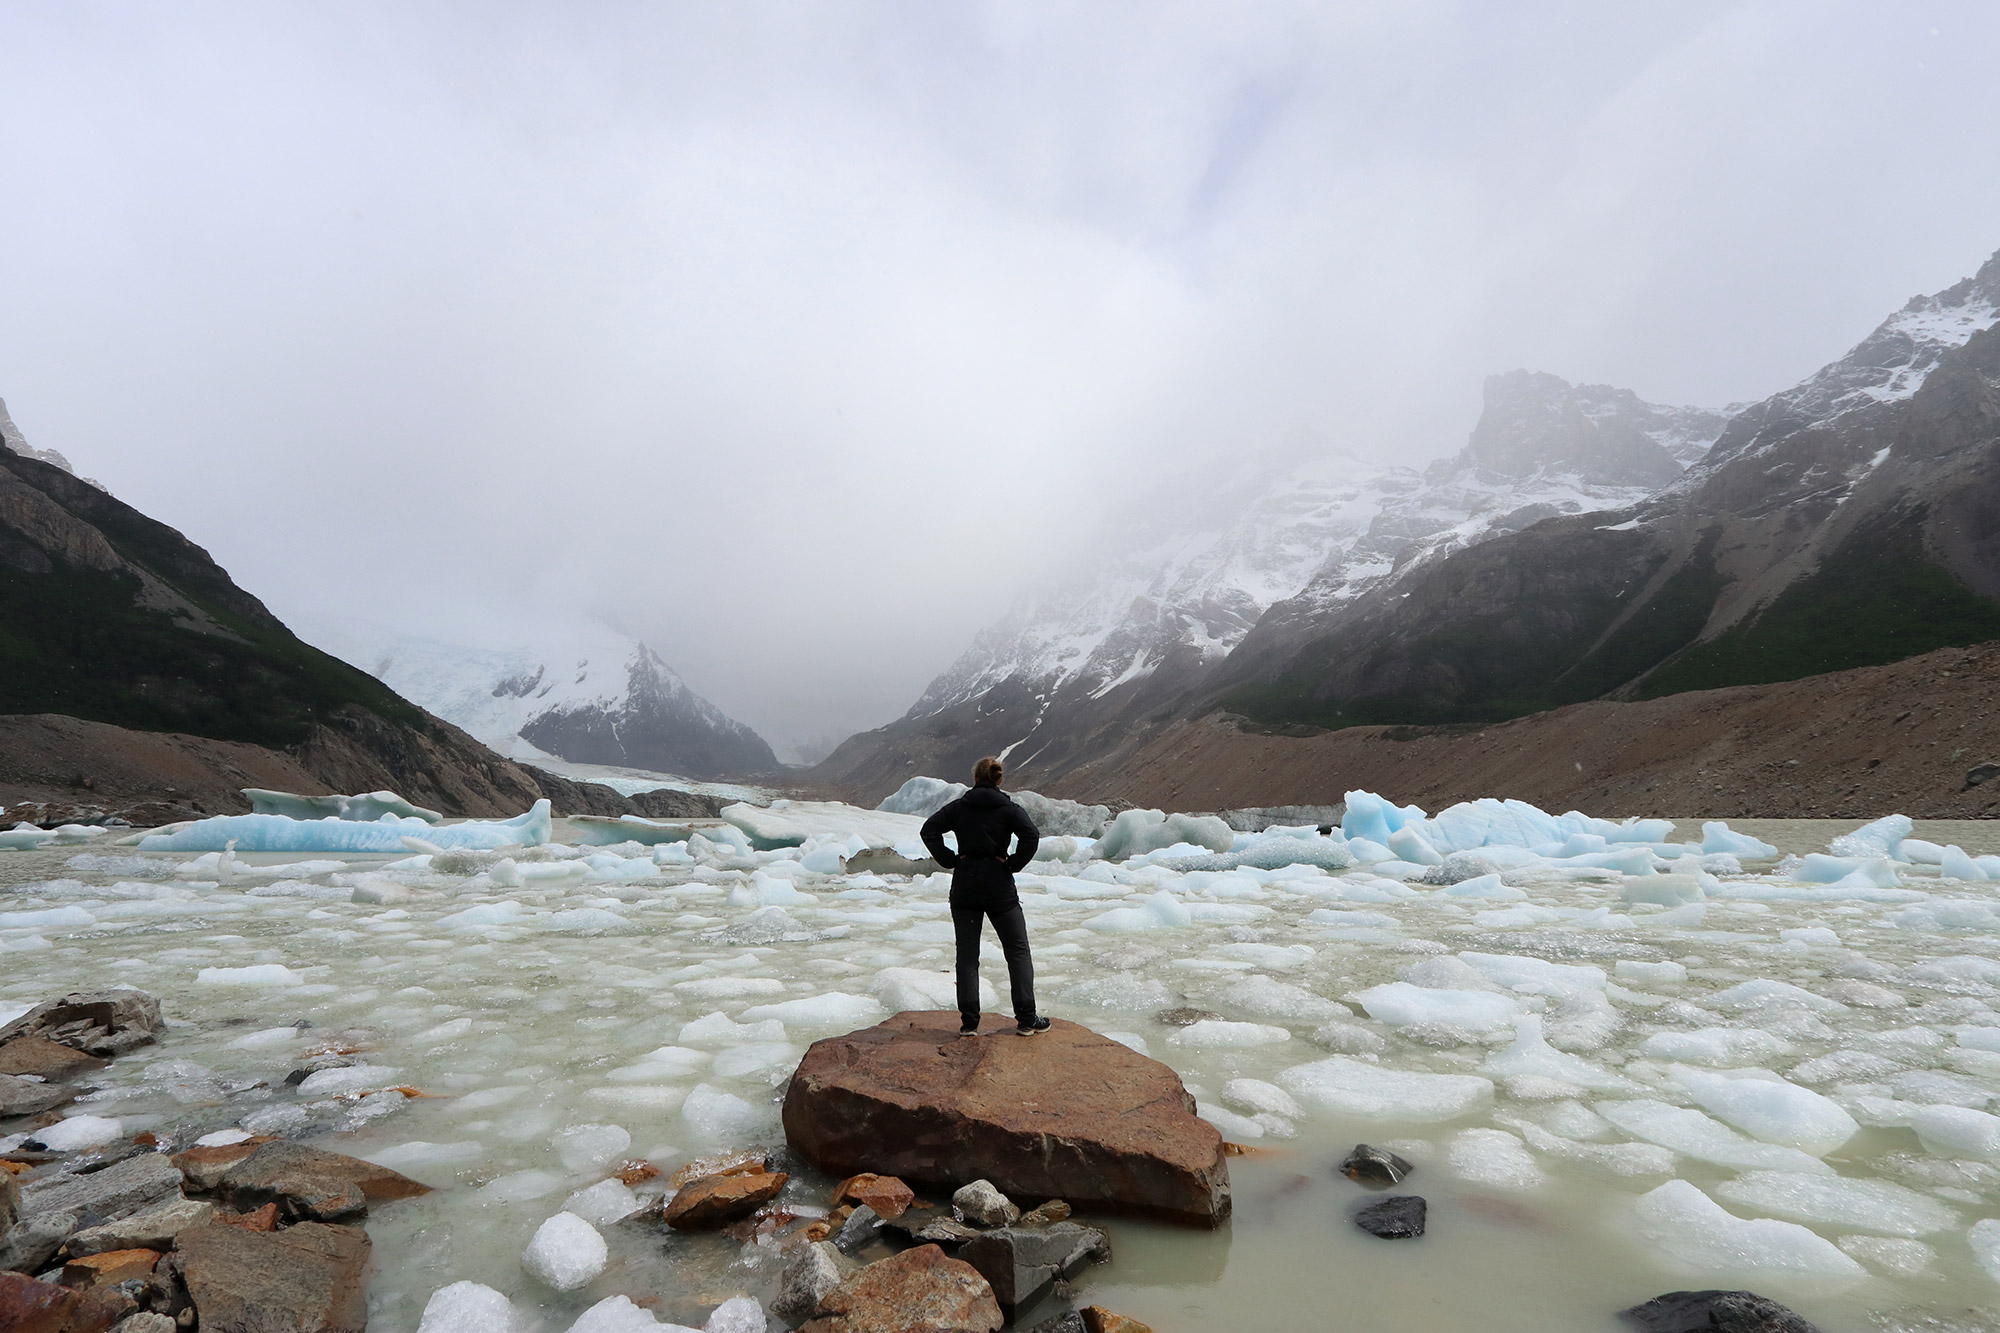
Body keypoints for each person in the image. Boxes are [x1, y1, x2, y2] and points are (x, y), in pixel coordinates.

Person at [920, 756, 1048, 1036]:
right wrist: (1012, 864)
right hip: (999, 887)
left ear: (975, 779)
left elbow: (929, 830)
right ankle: (1027, 1019)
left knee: (967, 957)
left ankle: (969, 1024)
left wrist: (950, 860)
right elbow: (1032, 836)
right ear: (999, 779)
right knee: (1017, 952)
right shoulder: (1009, 808)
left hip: (965, 885)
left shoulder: (959, 807)